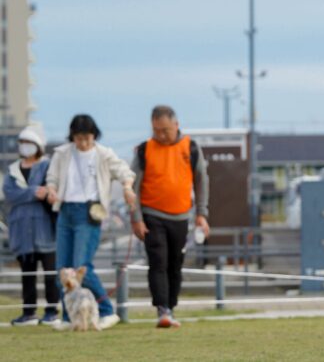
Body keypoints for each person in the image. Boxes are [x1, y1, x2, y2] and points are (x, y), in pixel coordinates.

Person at [45, 114, 136, 330]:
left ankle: (106, 311)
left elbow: (125, 171)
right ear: (72, 137)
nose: (83, 143)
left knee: (81, 268)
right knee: (63, 269)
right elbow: (52, 179)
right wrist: (51, 190)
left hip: (90, 212)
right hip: (65, 210)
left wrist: (126, 187)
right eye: (78, 138)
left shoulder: (104, 154)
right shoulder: (62, 154)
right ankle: (69, 318)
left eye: (87, 138)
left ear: (94, 136)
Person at [130, 105, 210, 329]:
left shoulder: (191, 147)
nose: (161, 135)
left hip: (181, 216)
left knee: (175, 264)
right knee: (158, 261)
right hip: (152, 214)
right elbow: (132, 185)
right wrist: (136, 217)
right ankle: (162, 309)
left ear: (176, 125)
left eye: (165, 130)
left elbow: (202, 180)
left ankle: (171, 308)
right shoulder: (145, 150)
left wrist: (202, 214)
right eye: (156, 130)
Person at [3, 127, 60, 326]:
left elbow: (51, 190)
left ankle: (52, 310)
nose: (24, 146)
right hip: (22, 231)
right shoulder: (13, 170)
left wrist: (38, 194)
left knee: (50, 273)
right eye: (21, 143)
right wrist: (33, 192)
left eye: (28, 142)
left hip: (45, 229)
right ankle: (28, 312)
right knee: (27, 274)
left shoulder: (47, 167)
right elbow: (10, 193)